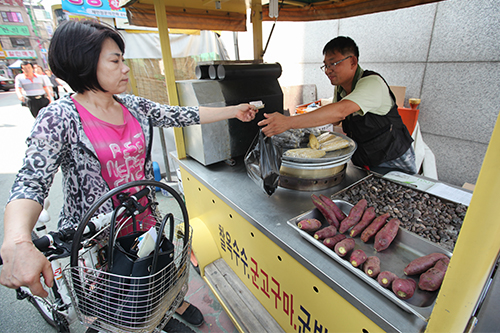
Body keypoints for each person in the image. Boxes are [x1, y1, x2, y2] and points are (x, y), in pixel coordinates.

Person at [0, 21, 258, 327]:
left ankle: (168, 306)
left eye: (123, 59)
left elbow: (182, 114)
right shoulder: (58, 117)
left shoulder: (133, 106)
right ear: (83, 63)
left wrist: (234, 111)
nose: (125, 69)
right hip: (96, 236)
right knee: (115, 304)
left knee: (157, 271)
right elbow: (31, 182)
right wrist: (18, 241)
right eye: (115, 60)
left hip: (142, 218)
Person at [258, 36, 416, 174]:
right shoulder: (341, 88)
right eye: (325, 65)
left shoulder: (372, 83)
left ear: (353, 61)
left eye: (333, 63)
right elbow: (335, 120)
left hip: (393, 162)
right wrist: (303, 127)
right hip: (367, 159)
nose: (328, 70)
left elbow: (340, 111)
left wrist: (289, 122)